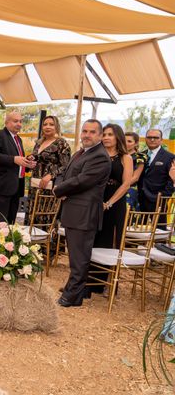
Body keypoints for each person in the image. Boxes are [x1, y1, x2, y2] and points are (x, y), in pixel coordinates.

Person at [54, 119, 111, 307]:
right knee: (75, 256)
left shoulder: (100, 157)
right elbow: (65, 172)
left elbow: (82, 181)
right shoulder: (81, 152)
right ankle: (75, 291)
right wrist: (59, 184)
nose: (87, 135)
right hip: (74, 212)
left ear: (100, 135)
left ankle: (72, 297)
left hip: (84, 215)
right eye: (84, 131)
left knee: (80, 258)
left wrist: (59, 190)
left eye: (92, 132)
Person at [87, 123, 133, 295]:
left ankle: (107, 284)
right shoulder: (97, 154)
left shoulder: (125, 157)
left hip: (114, 204)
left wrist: (109, 203)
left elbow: (126, 184)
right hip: (94, 201)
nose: (106, 137)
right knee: (92, 240)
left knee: (110, 242)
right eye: (104, 134)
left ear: (117, 137)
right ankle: (88, 282)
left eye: (110, 135)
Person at [0, 111, 36, 224]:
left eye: (20, 121)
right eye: (15, 121)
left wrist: (27, 163)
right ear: (7, 122)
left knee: (11, 224)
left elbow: (17, 161)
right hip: (1, 187)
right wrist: (14, 159)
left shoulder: (18, 139)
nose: (19, 124)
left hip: (17, 188)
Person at [26, 115, 71, 224]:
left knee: (45, 215)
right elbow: (37, 158)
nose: (48, 127)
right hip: (35, 184)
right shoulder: (38, 142)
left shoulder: (61, 143)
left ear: (56, 127)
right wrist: (31, 159)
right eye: (45, 124)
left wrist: (51, 175)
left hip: (50, 186)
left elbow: (67, 166)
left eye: (51, 124)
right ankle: (30, 240)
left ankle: (46, 241)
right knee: (32, 214)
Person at [138, 129, 175, 213]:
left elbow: (172, 179)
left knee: (158, 226)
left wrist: (163, 196)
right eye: (149, 137)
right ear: (145, 139)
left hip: (158, 201)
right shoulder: (140, 155)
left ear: (161, 140)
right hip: (139, 199)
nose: (152, 139)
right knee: (139, 226)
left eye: (155, 137)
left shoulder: (170, 157)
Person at [125, 131, 147, 210]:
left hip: (129, 190)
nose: (126, 143)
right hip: (113, 189)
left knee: (127, 216)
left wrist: (121, 187)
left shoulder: (140, 157)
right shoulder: (118, 155)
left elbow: (135, 177)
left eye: (129, 141)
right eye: (124, 141)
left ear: (136, 143)